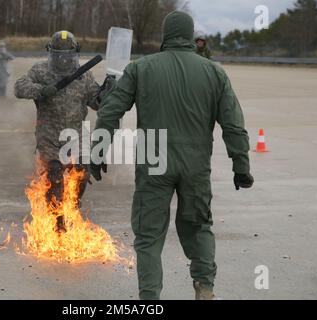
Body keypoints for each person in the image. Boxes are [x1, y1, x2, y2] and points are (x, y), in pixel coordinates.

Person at [91, 11, 254, 300]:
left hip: (154, 159)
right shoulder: (214, 72)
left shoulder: (141, 68)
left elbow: (110, 111)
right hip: (195, 164)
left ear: (165, 35)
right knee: (199, 227)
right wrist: (241, 165)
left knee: (149, 236)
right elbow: (233, 124)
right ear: (191, 36)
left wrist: (97, 151)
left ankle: (150, 298)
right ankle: (204, 288)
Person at [14, 30, 113, 232]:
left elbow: (96, 102)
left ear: (74, 53)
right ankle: (57, 221)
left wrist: (108, 92)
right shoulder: (40, 71)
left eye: (67, 56)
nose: (63, 60)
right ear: (51, 53)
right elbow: (19, 87)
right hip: (49, 137)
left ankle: (73, 207)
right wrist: (41, 90)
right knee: (55, 175)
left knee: (82, 173)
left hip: (75, 137)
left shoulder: (84, 75)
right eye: (58, 55)